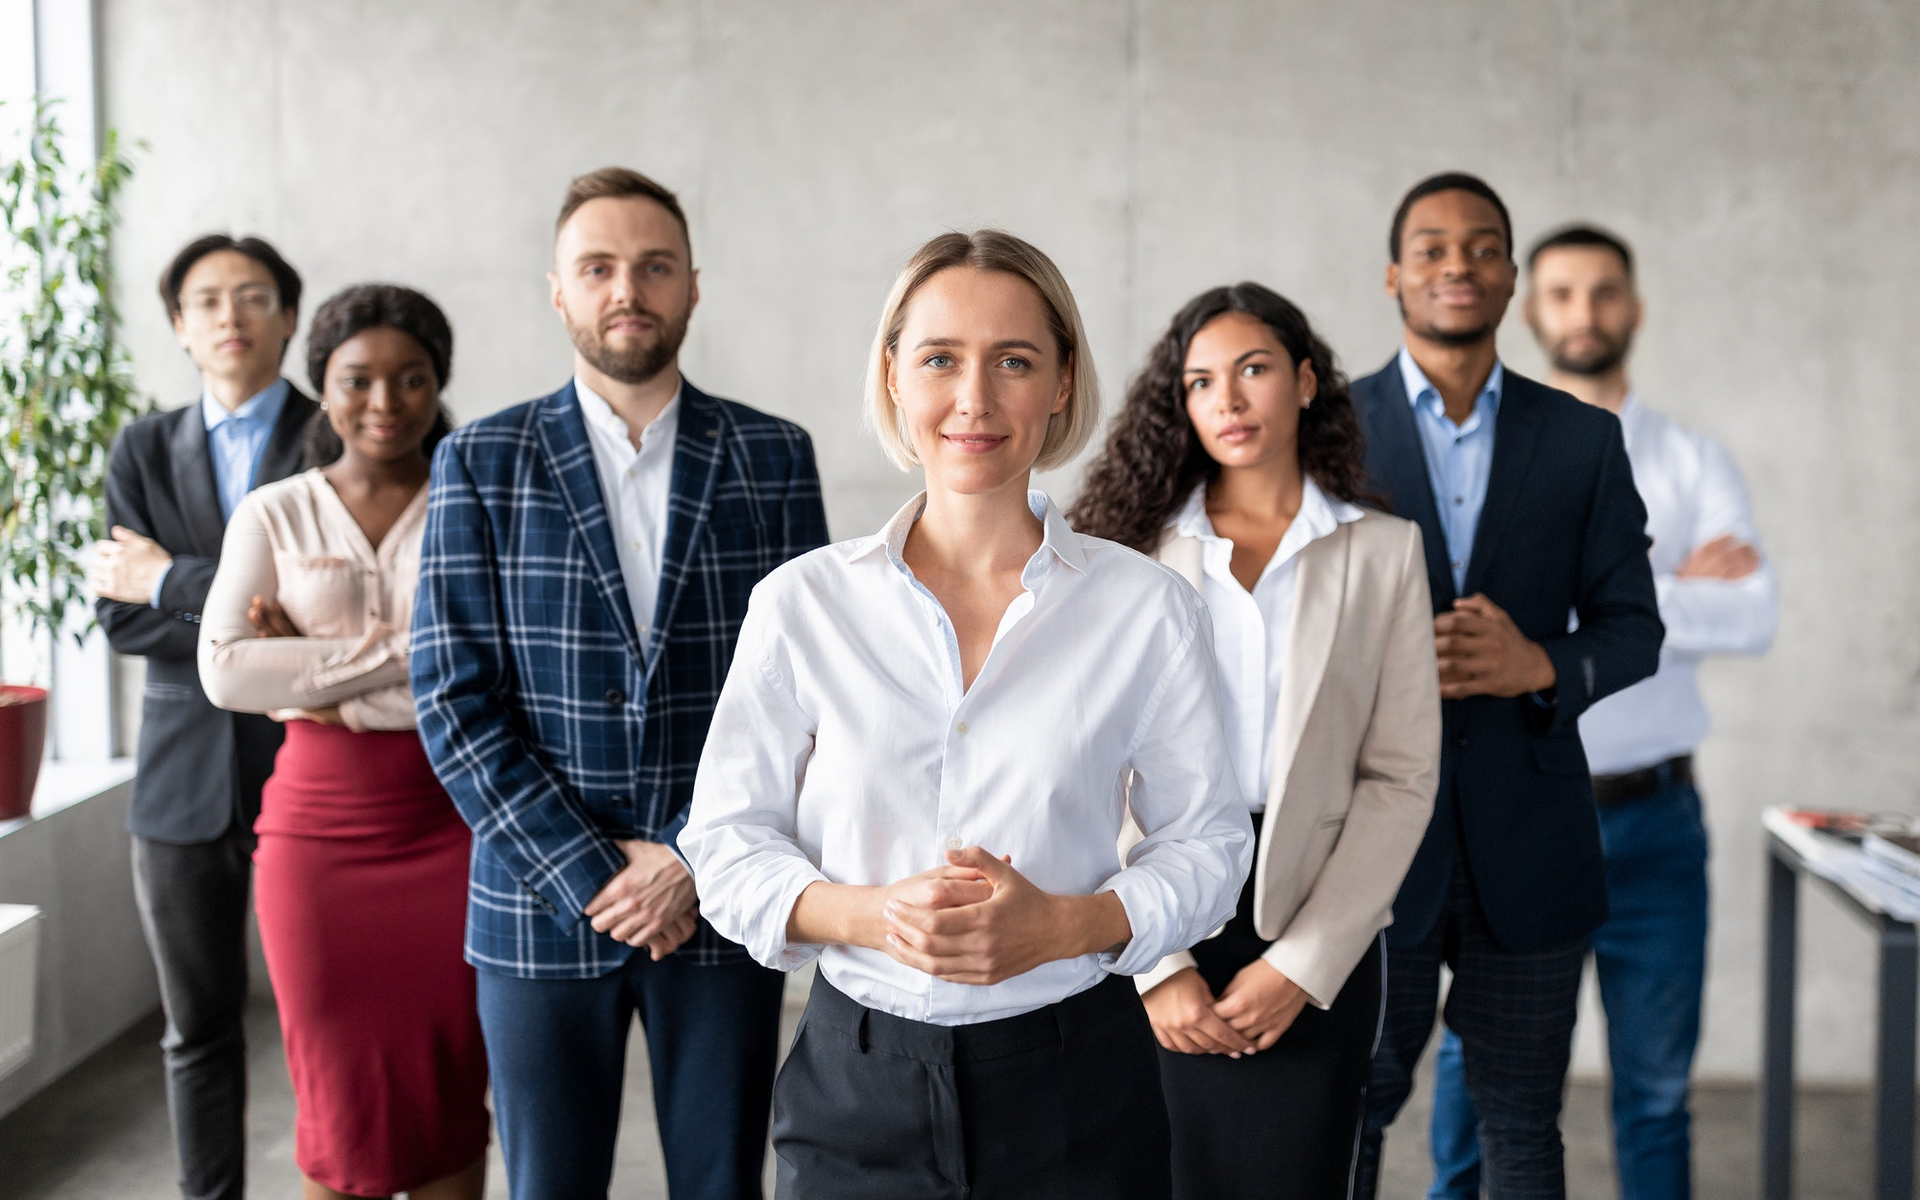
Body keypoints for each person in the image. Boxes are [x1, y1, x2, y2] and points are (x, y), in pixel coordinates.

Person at [680, 229, 1254, 1200]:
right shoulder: (803, 603)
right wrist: (872, 914)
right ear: (895, 376)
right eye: (941, 358)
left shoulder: (1147, 608)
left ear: (1063, 382)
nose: (975, 399)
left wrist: (1069, 925)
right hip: (854, 1086)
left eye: (1015, 361)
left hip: (1080, 1085)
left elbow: (1208, 846)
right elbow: (727, 847)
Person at [410, 166, 829, 1200]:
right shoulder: (481, 460)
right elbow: (453, 700)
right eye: (597, 268)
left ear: (693, 285)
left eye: (653, 267)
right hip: (539, 900)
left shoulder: (773, 457)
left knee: (724, 1179)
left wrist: (690, 856)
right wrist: (592, 869)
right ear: (559, 290)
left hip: (722, 894)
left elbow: (809, 699)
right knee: (548, 1184)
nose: (626, 289)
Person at [1425, 226, 1778, 1200]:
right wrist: (1657, 581)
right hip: (1517, 815)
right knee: (1474, 1078)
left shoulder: (1693, 459)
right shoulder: (1488, 457)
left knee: (1657, 1091)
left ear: (1634, 307)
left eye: (1605, 292)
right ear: (1533, 310)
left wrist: (1595, 604)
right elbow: (1463, 621)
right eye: (1565, 293)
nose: (1585, 313)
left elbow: (1754, 615)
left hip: (1655, 825)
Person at [1071, 282, 1442, 1199]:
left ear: (1307, 382)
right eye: (1200, 382)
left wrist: (1302, 965)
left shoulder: (1383, 553)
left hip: (1313, 918)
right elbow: (1087, 765)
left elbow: (1399, 778)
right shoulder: (1129, 553)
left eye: (1253, 371)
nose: (1227, 401)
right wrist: (1157, 964)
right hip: (1145, 910)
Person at [1349, 173, 1665, 1200]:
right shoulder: (1327, 434)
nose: (1457, 265)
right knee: (1345, 1112)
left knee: (1522, 1124)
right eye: (1432, 247)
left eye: (1482, 247)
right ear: (1395, 273)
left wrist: (1542, 665)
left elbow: (1634, 631)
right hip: (1367, 848)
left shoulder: (1579, 438)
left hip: (1531, 847)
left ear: (1511, 277)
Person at [198, 285, 487, 1200]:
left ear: (438, 385)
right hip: (316, 833)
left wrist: (309, 663)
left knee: (449, 1089)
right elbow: (227, 673)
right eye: (357, 379)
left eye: (411, 379)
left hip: (456, 824)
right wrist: (417, 657)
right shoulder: (273, 514)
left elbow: (504, 664)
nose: (385, 402)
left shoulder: (475, 503)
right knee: (334, 1099)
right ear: (321, 386)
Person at [90, 234, 317, 1200]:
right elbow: (117, 616)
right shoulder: (141, 448)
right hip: (181, 785)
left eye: (254, 295)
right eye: (208, 300)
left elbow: (337, 617)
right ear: (181, 328)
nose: (232, 314)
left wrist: (172, 582)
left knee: (329, 1023)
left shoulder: (340, 429)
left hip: (316, 764)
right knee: (198, 1030)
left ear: (290, 317)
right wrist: (248, 618)